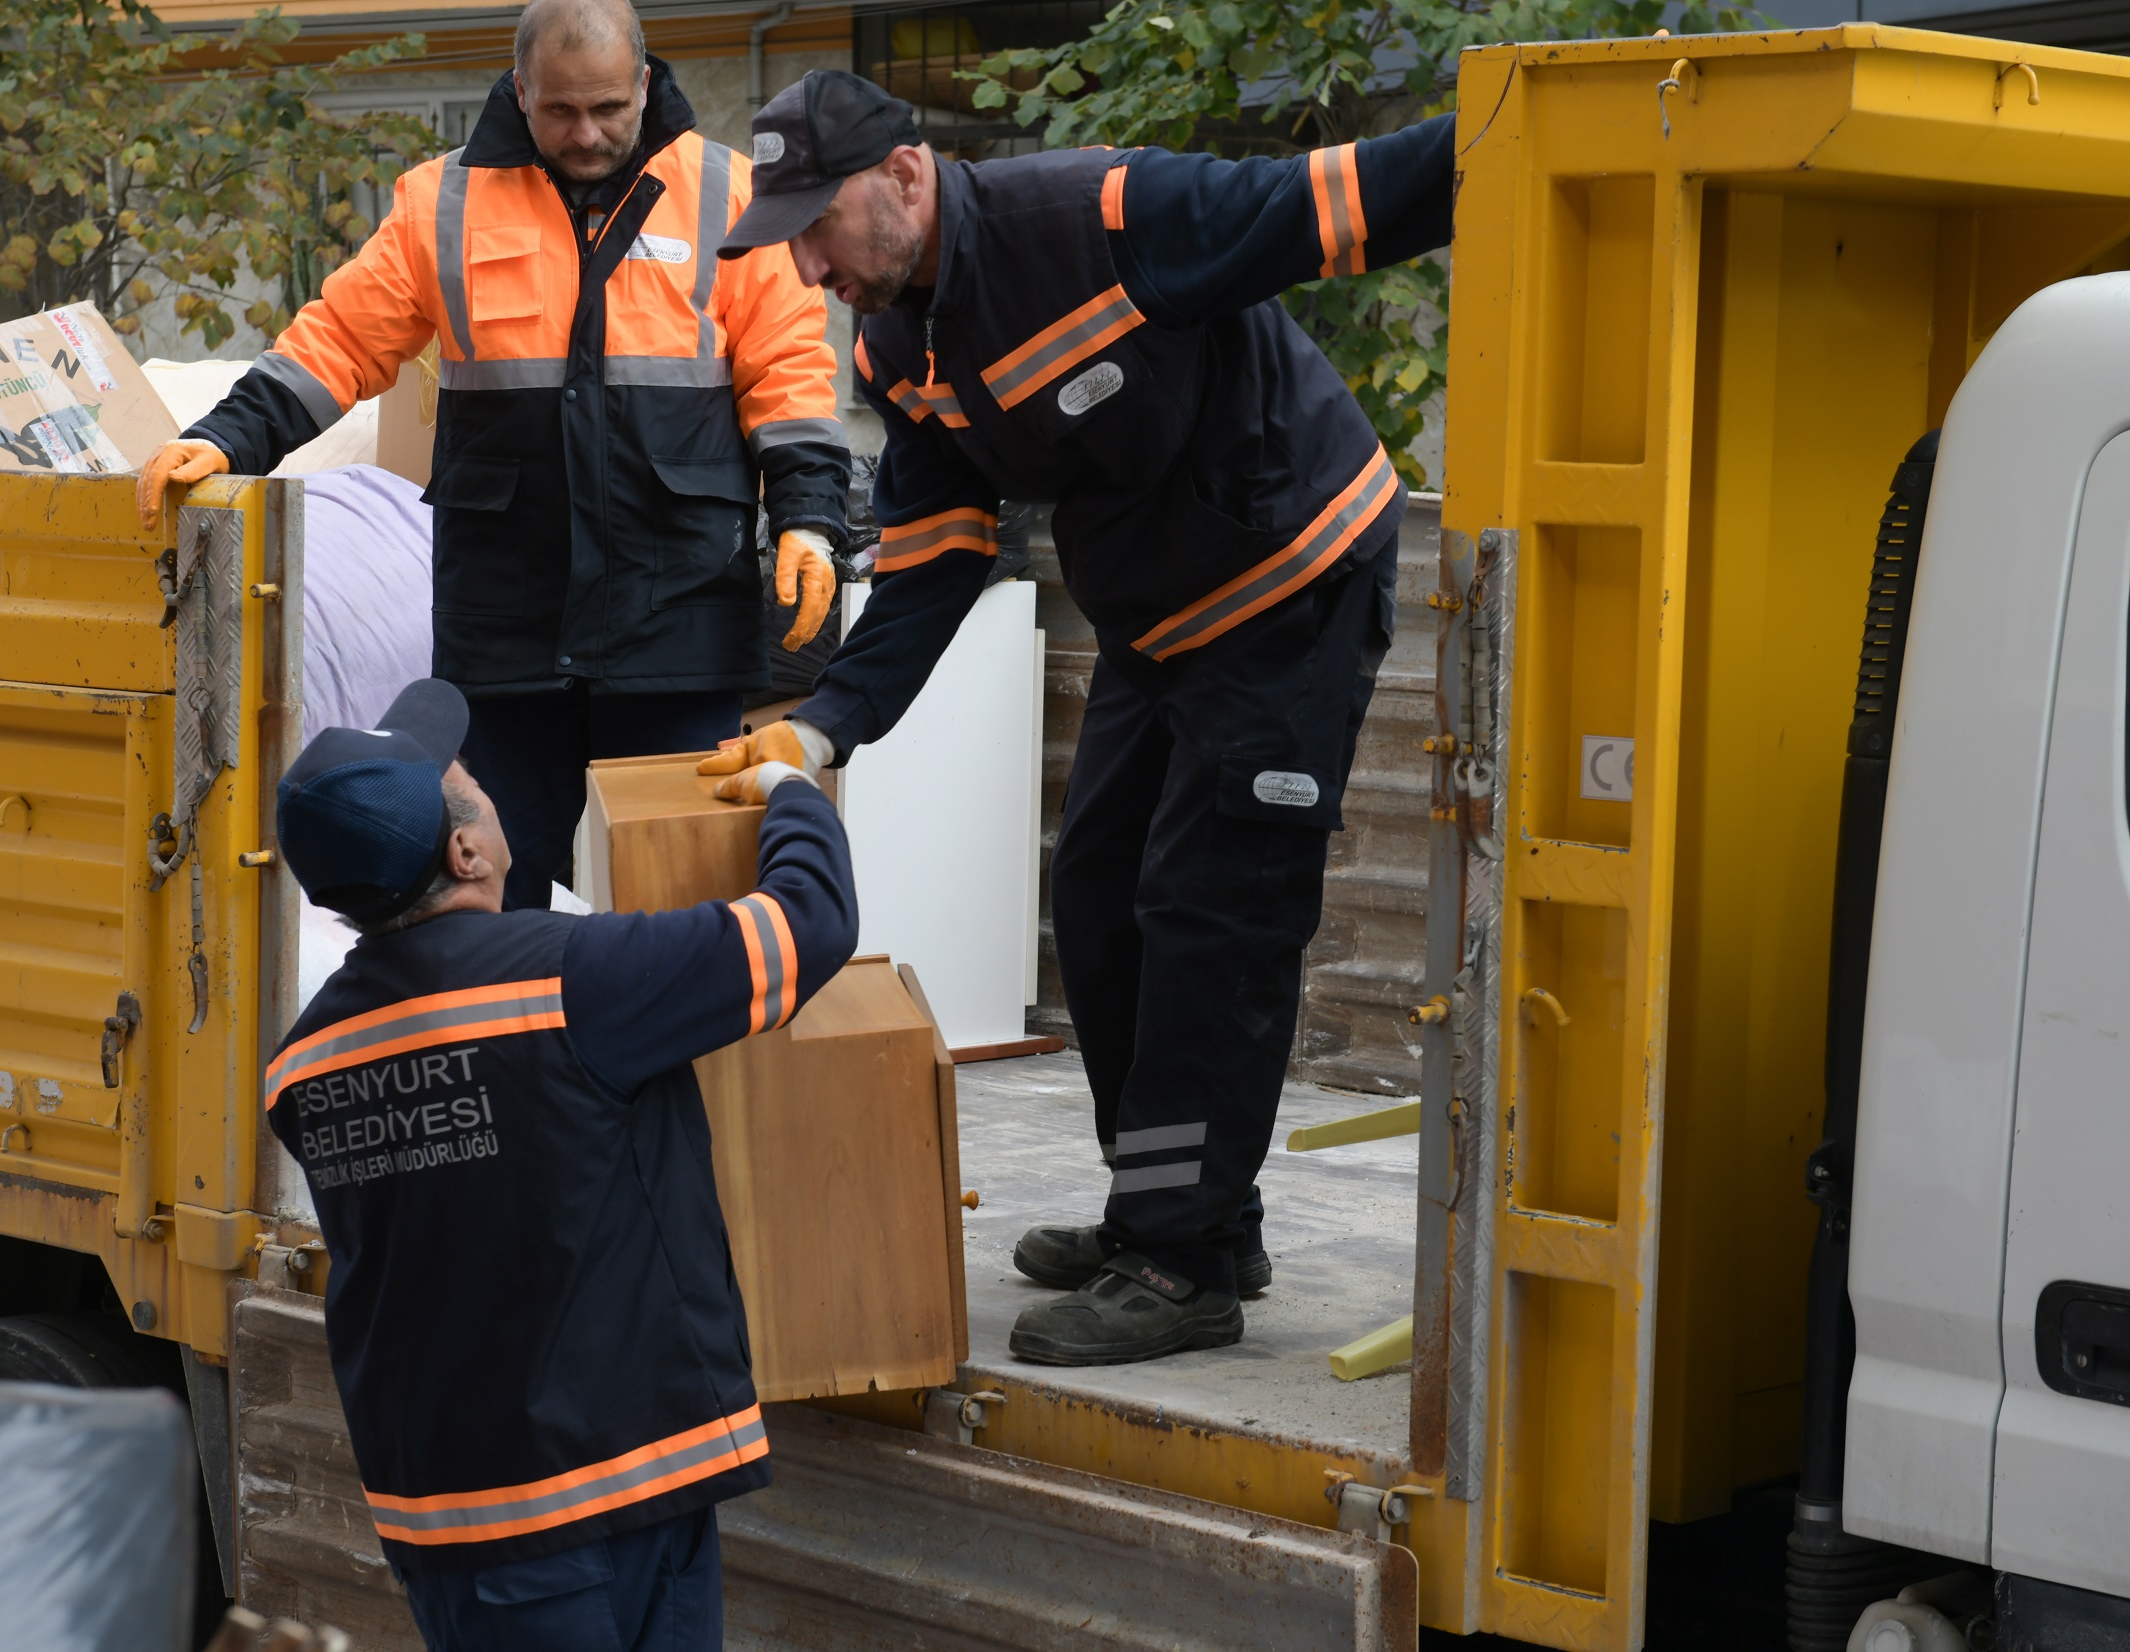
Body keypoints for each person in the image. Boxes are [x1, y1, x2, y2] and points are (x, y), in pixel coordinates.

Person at [704, 70, 1455, 1367]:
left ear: (903, 174)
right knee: (1102, 905)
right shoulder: (901, 348)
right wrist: (826, 725)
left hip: (1292, 585)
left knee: (1210, 910)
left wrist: (1520, 120)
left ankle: (1178, 1263)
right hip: (1160, 628)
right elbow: (940, 551)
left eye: (818, 225)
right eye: (788, 240)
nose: (809, 267)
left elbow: (1344, 199)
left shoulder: (1108, 214)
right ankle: (1184, 1219)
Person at [139, 0, 850, 912]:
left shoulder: (730, 195)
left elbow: (788, 376)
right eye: (560, 111)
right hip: (510, 625)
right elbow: (339, 342)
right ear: (521, 90)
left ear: (643, 84)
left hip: (677, 615)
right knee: (497, 899)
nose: (586, 133)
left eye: (607, 109)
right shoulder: (444, 201)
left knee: (681, 896)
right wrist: (222, 436)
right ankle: (513, 1055)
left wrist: (810, 522)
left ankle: (666, 1062)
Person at [263, 677, 854, 1651]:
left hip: (446, 1523)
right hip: (602, 1501)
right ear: (466, 849)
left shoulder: (302, 1062)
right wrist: (793, 788)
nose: (486, 787)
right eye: (466, 779)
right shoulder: (568, 981)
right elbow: (806, 926)